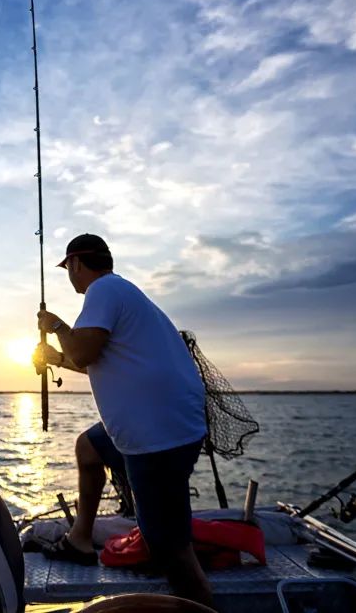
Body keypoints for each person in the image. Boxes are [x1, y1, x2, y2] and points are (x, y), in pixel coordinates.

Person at [34, 233, 214, 608]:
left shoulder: (102, 290)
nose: (69, 275)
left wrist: (56, 326)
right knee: (89, 448)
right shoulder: (121, 292)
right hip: (165, 424)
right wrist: (56, 358)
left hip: (156, 436)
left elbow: (84, 353)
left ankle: (203, 607)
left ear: (76, 264)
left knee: (169, 548)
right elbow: (101, 360)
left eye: (68, 268)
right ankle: (80, 539)